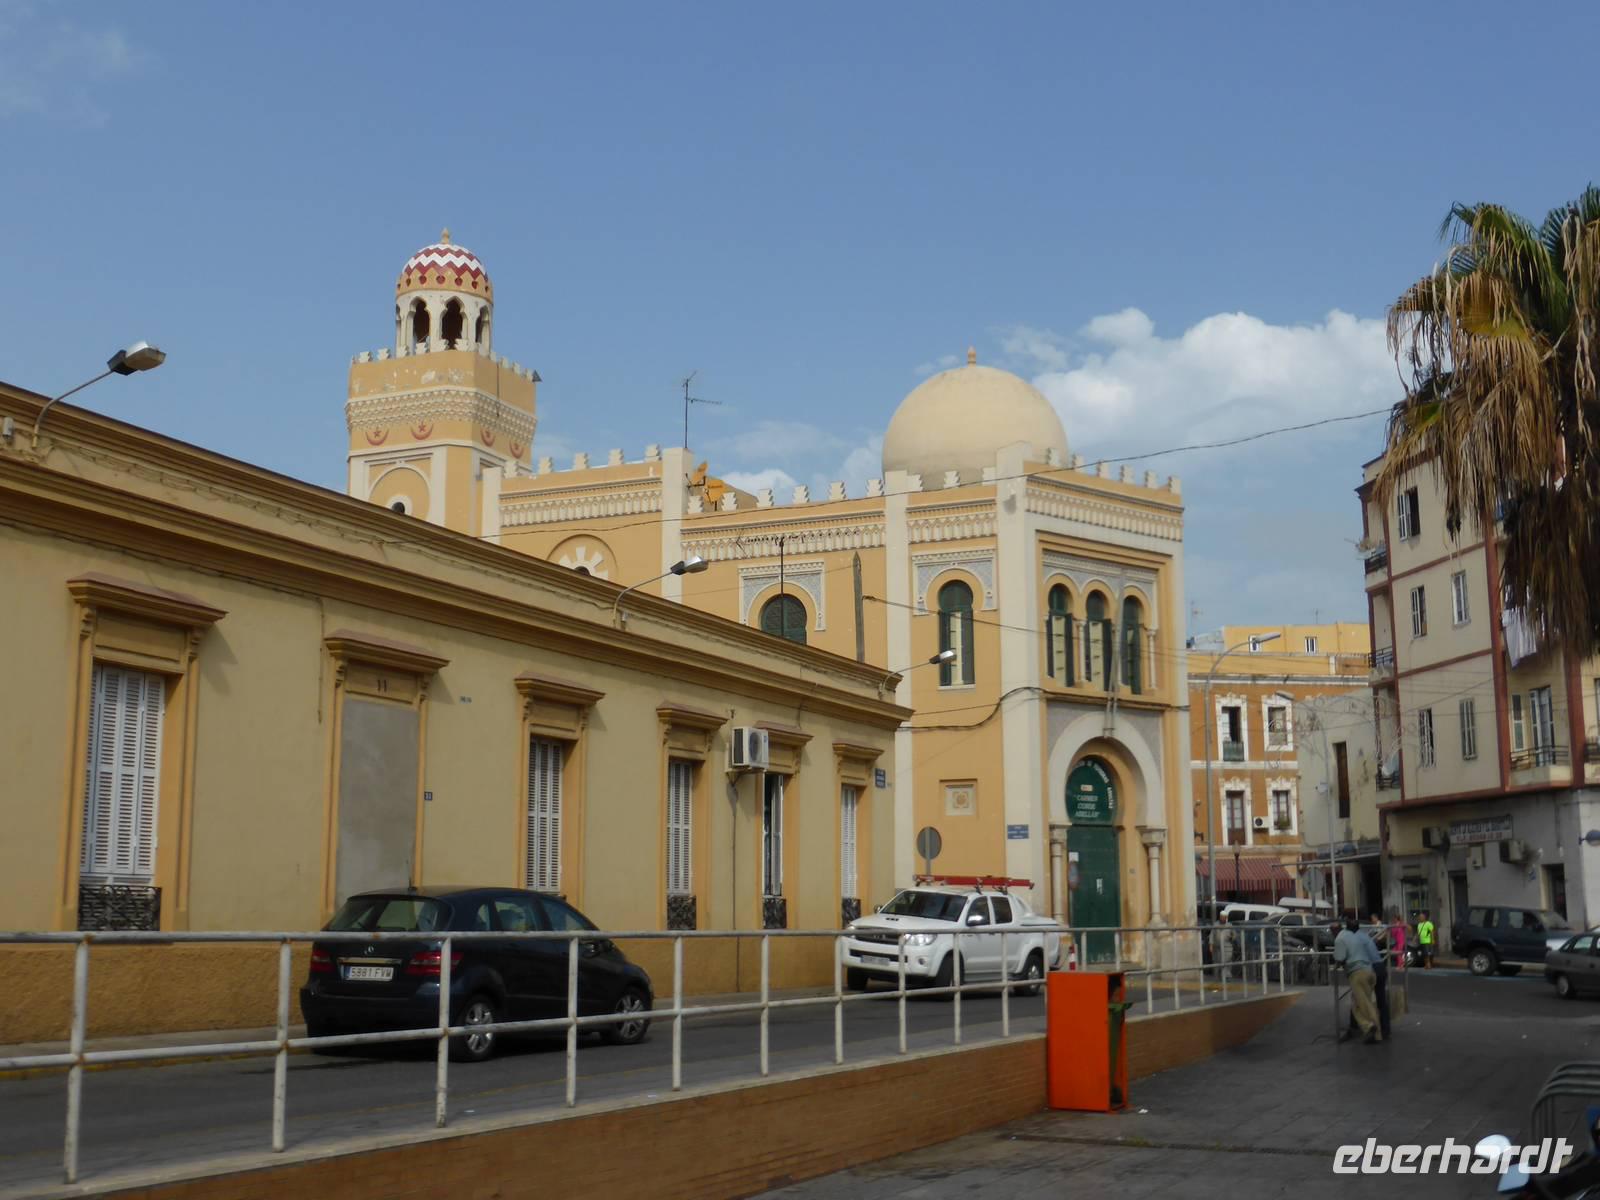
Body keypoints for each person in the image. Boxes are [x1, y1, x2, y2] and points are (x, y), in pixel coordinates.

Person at [1333, 913, 1383, 1043]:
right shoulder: (1356, 936)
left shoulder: (1339, 939)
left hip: (1357, 974)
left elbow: (1339, 958)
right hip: (1370, 971)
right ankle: (1371, 1030)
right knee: (1358, 1005)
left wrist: (1338, 964)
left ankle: (1372, 1029)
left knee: (1365, 1004)